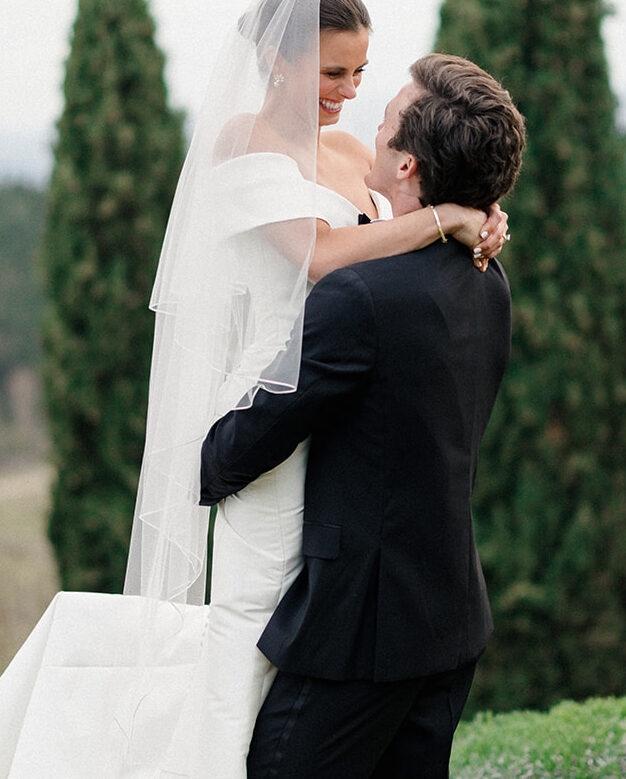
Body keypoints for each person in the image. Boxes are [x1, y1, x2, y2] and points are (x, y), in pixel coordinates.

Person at [0, 0, 507, 778]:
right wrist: (443, 218)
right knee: (257, 616)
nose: (348, 92)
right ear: (277, 61)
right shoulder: (241, 146)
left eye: (360, 73)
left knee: (324, 617)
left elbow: (393, 253)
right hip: (278, 409)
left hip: (342, 409)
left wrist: (471, 219)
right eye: (333, 72)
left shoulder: (347, 152)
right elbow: (328, 257)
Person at [199, 52, 526, 778]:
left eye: (383, 123)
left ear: (408, 166)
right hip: (449, 621)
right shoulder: (488, 278)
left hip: (360, 636)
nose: (368, 126)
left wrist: (204, 451)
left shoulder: (362, 298)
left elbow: (243, 445)